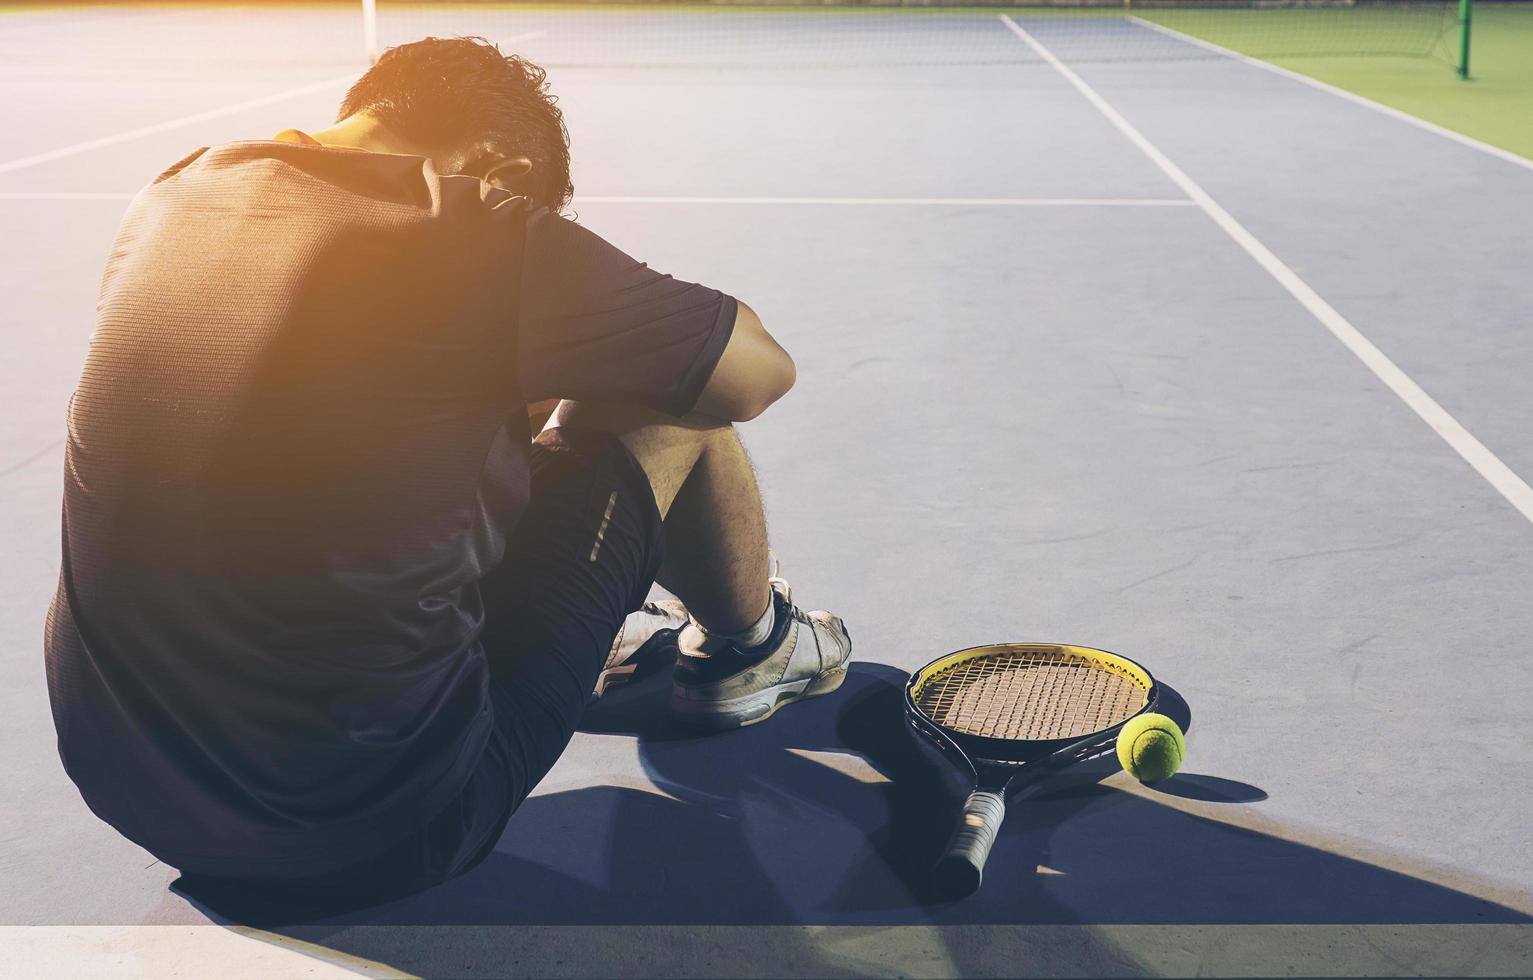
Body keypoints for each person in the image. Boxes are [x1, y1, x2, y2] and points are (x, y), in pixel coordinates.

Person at [43, 36, 851, 915]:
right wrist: (576, 327)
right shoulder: (471, 227)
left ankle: (523, 610)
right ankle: (753, 649)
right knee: (669, 402)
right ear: (495, 164)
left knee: (397, 414)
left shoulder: (179, 191)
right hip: (383, 828)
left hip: (137, 796)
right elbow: (757, 373)